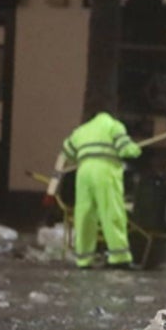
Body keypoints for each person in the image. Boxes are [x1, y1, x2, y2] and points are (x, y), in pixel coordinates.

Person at [55, 111, 142, 269]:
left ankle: (84, 259)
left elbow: (67, 152)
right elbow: (125, 150)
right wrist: (136, 149)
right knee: (111, 212)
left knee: (85, 214)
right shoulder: (114, 126)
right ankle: (119, 257)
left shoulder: (81, 130)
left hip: (84, 173)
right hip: (105, 172)